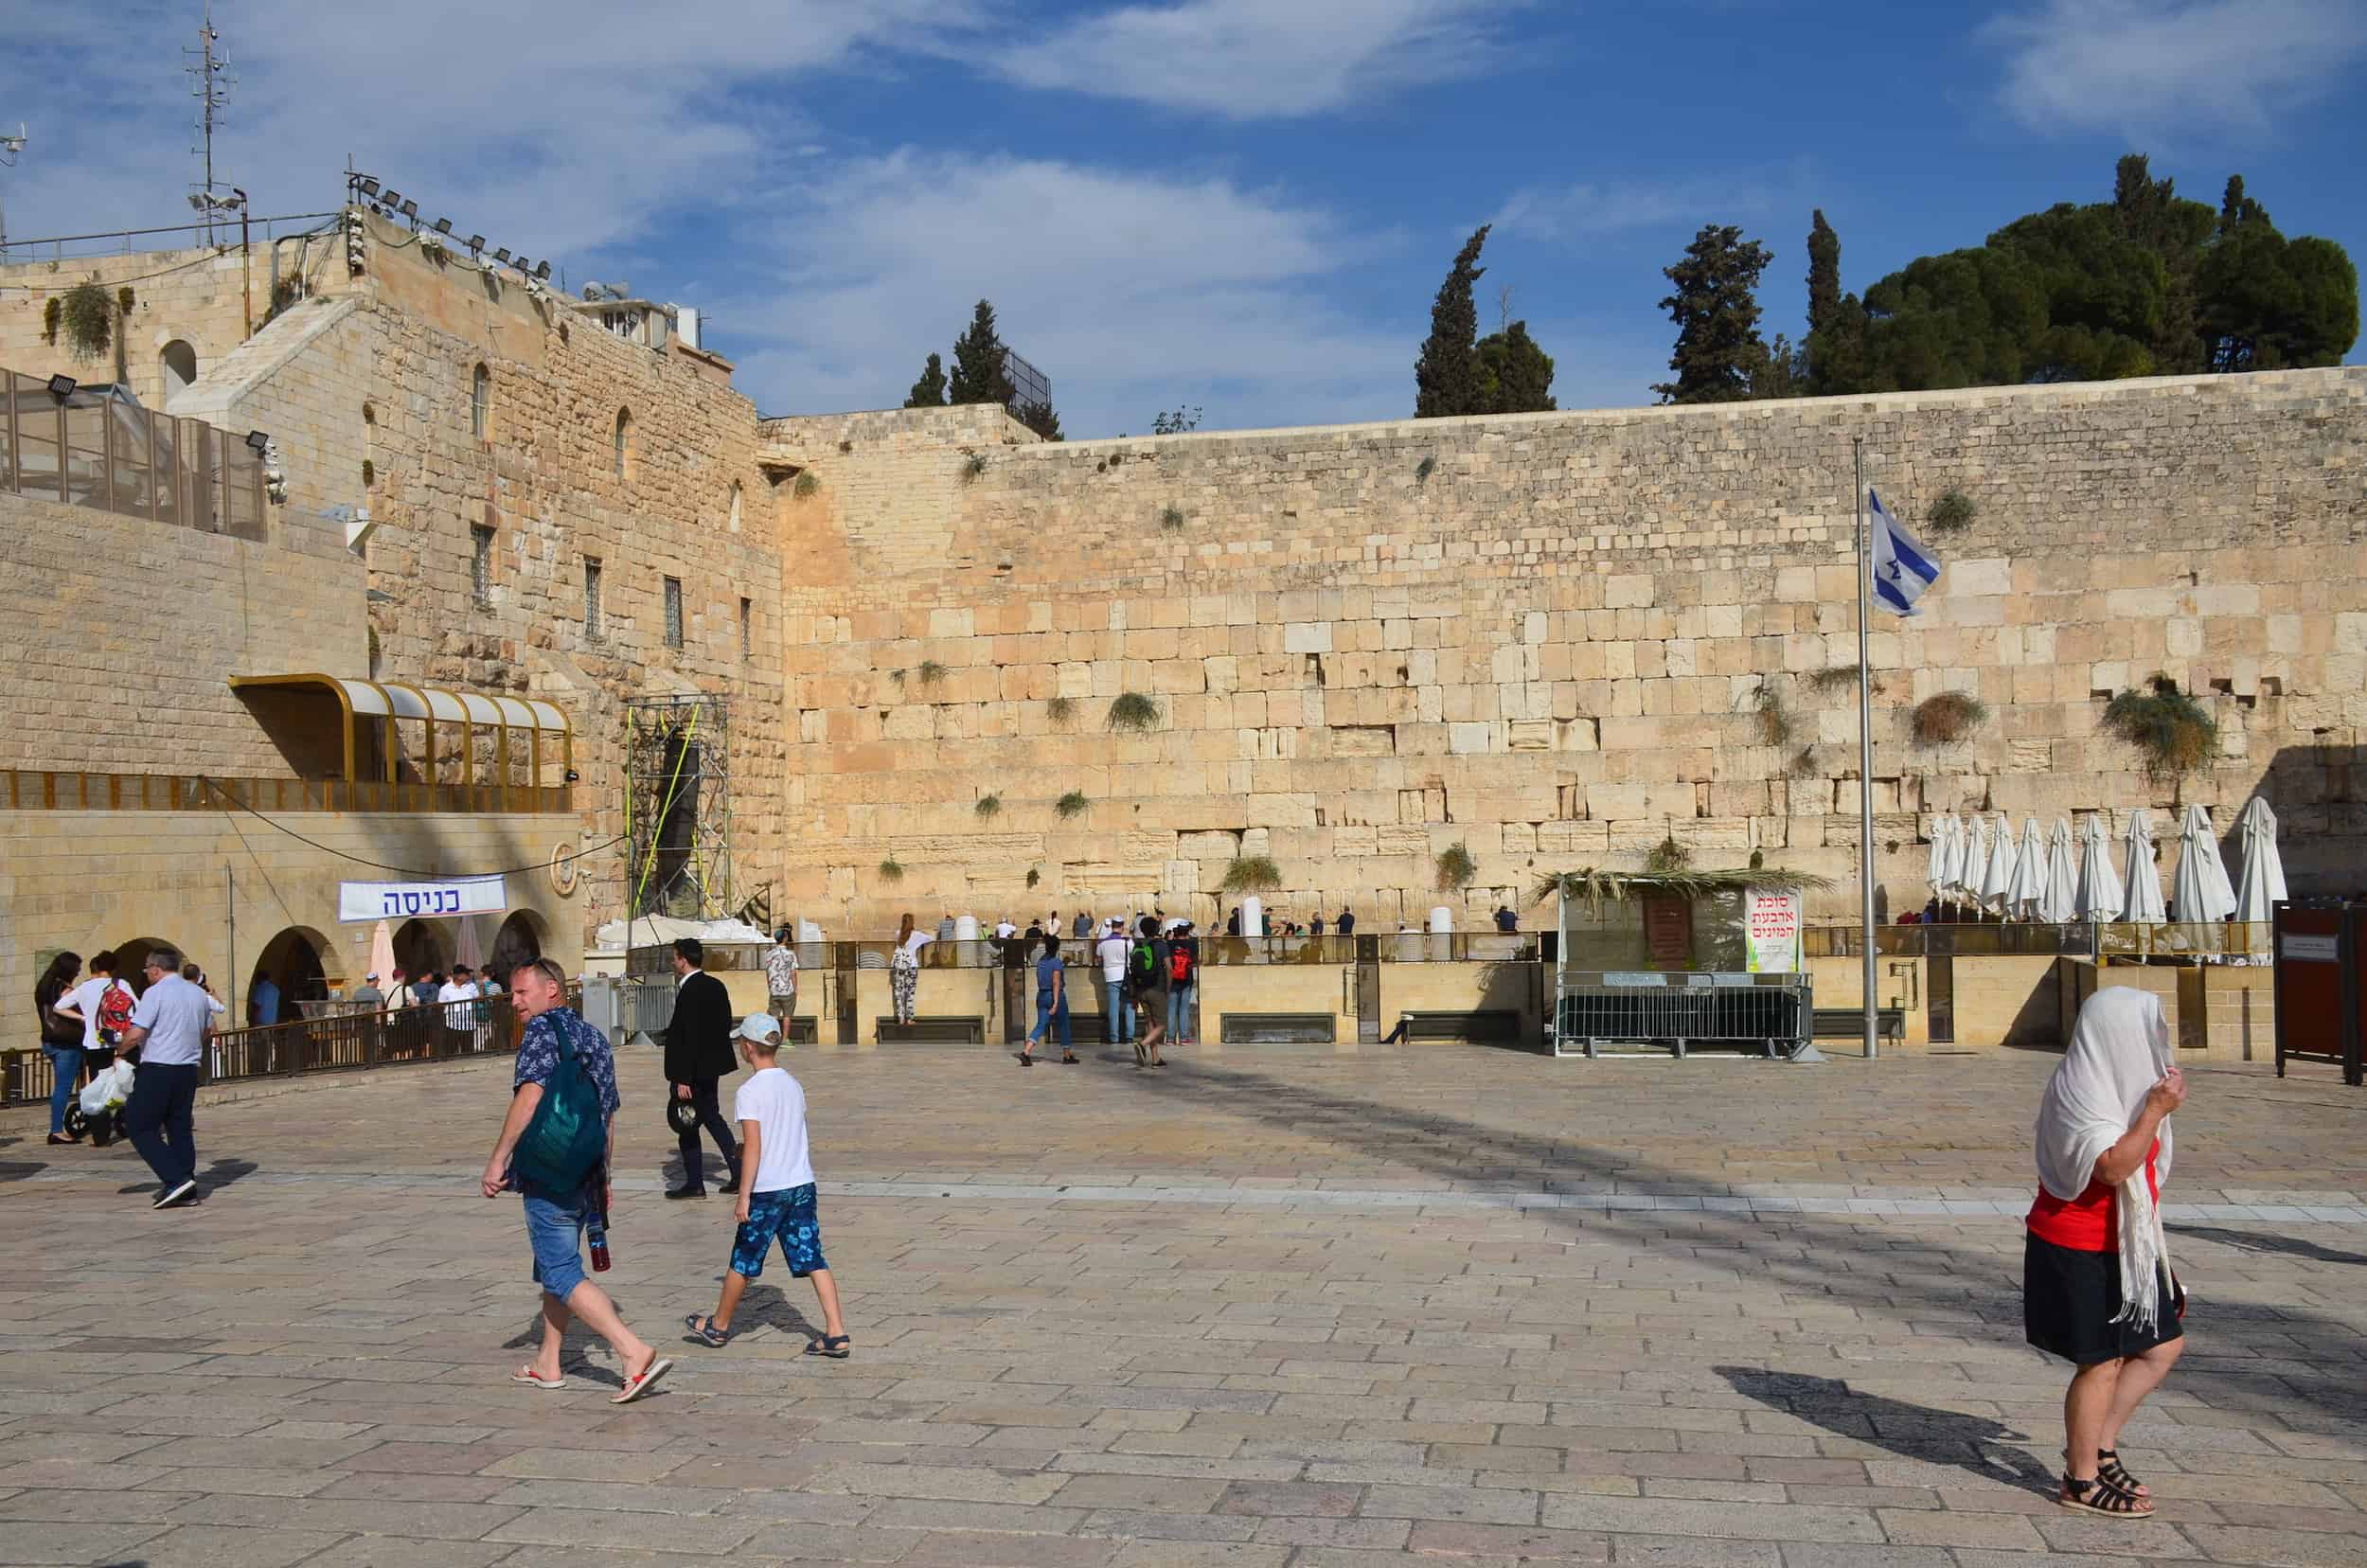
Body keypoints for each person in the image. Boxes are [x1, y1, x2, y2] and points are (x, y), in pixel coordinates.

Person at [2027, 987, 2188, 1519]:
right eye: (2145, 1033)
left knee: (2162, 1346)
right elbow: (2115, 1166)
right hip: (2077, 1241)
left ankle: (2100, 1446)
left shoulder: (2123, 1086)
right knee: (2100, 1362)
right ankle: (2080, 1479)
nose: (2156, 1045)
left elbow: (2144, 1180)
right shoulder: (2082, 1090)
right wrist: (2154, 1112)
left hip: (2127, 1242)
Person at [482, 956, 672, 1404]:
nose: (515, 1002)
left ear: (552, 990)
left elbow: (530, 1097)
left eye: (521, 992)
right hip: (585, 1172)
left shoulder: (541, 1032)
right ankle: (549, 1362)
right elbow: (607, 1112)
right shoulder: (594, 1036)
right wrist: (603, 1173)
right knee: (554, 1268)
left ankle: (631, 1351)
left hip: (548, 1173)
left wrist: (498, 1161)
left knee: (562, 1270)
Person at [683, 1014, 850, 1359]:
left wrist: (743, 1195)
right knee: (813, 1257)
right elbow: (786, 1131)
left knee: (743, 1258)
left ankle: (719, 1325)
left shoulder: (749, 1092)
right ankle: (836, 1332)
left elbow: (755, 1147)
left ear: (747, 1048)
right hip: (801, 1183)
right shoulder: (792, 1083)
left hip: (768, 1189)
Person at [116, 947, 214, 1208]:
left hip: (159, 1067)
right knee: (178, 1126)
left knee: (138, 1125)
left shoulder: (154, 993)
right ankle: (186, 1183)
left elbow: (137, 1032)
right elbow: (207, 1030)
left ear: (156, 969)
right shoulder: (198, 993)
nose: (146, 973)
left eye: (147, 968)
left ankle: (174, 1179)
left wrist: (120, 1051)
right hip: (187, 1069)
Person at [662, 937, 740, 1200]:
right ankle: (738, 1171)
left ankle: (695, 1182)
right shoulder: (715, 985)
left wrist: (683, 1077)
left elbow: (689, 1036)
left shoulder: (690, 990)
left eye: (675, 957)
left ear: (683, 959)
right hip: (709, 1069)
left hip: (691, 1073)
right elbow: (723, 1025)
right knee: (713, 1118)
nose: (673, 962)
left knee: (687, 1123)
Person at [51, 950, 133, 1148]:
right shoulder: (121, 984)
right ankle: (127, 1118)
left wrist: (83, 1018)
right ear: (113, 968)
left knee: (98, 1087)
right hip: (118, 1040)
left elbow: (58, 1007)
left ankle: (101, 1137)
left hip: (93, 1043)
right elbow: (135, 1007)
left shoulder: (85, 987)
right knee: (124, 1080)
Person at [35, 952, 85, 1146]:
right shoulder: (62, 988)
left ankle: (57, 1128)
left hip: (49, 1041)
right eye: (77, 968)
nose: (79, 971)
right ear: (69, 970)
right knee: (63, 1087)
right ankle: (56, 1131)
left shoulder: (44, 986)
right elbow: (69, 1007)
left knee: (60, 1086)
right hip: (67, 1043)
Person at [1018, 933, 1077, 1066]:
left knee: (1041, 1025)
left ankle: (1026, 1052)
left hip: (1042, 995)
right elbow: (1056, 982)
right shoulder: (1056, 962)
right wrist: (1055, 1003)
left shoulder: (1041, 961)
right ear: (1056, 948)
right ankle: (1067, 1055)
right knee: (1064, 1024)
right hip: (1054, 995)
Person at [1130, 916, 1169, 1070]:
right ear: (1156, 929)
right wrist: (1167, 987)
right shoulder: (1161, 945)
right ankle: (1142, 1044)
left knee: (1150, 1023)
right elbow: (1170, 968)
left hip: (1141, 990)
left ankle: (1155, 1059)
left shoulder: (1137, 945)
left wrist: (1134, 995)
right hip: (1156, 988)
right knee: (1163, 1024)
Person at [1096, 918, 1133, 1049]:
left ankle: (1114, 1037)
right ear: (1122, 926)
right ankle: (1129, 1036)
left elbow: (1099, 958)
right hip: (1125, 976)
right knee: (1129, 1006)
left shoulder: (1103, 942)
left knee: (1113, 1008)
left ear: (1112, 926)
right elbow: (1132, 956)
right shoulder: (1128, 941)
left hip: (1110, 976)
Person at [890, 914, 930, 1025]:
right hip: (911, 966)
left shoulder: (898, 934)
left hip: (899, 967)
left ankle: (901, 1018)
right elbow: (930, 938)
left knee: (899, 993)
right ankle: (909, 1019)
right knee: (910, 994)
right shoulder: (916, 935)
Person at [762, 924, 800, 1031]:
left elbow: (767, 972)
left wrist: (769, 986)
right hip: (787, 990)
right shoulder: (790, 954)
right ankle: (785, 1040)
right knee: (787, 1016)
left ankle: (773, 1037)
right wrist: (795, 988)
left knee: (774, 1015)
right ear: (785, 939)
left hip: (774, 989)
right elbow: (793, 973)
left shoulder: (769, 954)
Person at [1166, 923, 1199, 1046]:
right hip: (1187, 979)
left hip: (1172, 980)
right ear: (1187, 932)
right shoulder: (1192, 944)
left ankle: (1170, 1039)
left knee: (1171, 1009)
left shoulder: (1169, 944)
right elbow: (1196, 961)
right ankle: (1184, 1038)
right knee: (1183, 1009)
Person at [440, 966, 480, 1055]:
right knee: (450, 1052)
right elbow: (442, 1004)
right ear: (459, 976)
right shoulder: (445, 989)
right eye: (466, 974)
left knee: (468, 1052)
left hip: (468, 1025)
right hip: (452, 1025)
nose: (469, 975)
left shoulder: (471, 986)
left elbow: (478, 998)